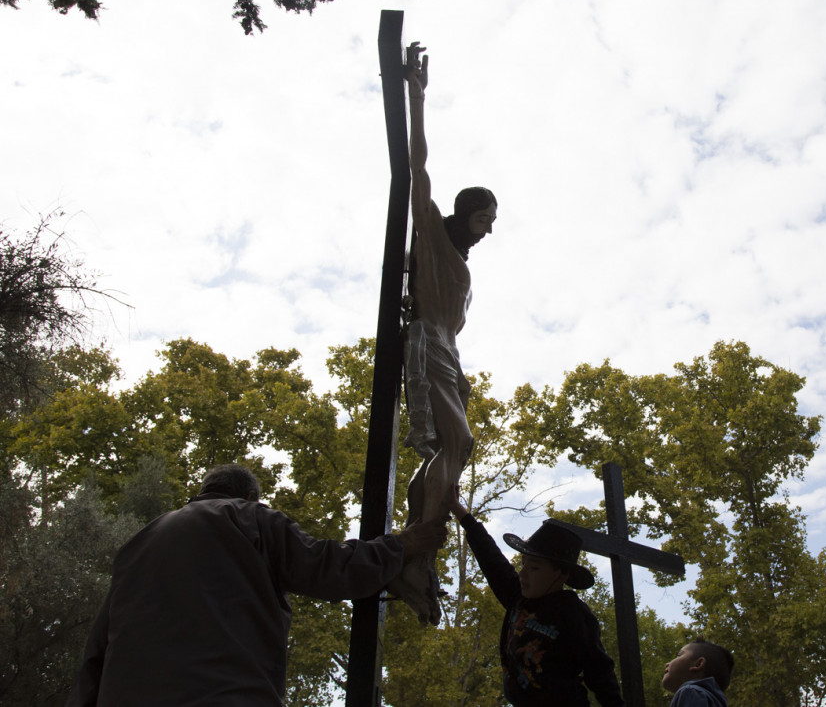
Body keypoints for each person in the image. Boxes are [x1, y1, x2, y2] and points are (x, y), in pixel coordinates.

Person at [65, 463, 447, 706]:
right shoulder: (249, 518)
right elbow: (329, 569)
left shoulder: (138, 544)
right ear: (250, 496)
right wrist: (402, 544)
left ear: (200, 493)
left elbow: (93, 659)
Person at [388, 40, 498, 626]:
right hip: (427, 341)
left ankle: (417, 546)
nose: (488, 230)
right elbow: (417, 167)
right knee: (453, 443)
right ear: (465, 211)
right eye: (484, 219)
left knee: (457, 446)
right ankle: (417, 552)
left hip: (449, 352)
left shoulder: (460, 257)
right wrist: (416, 94)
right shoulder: (432, 233)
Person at [446, 485, 625, 706]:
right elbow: (489, 556)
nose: (523, 574)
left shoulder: (574, 615)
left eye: (535, 568)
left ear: (561, 574)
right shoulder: (517, 597)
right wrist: (459, 511)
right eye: (523, 565)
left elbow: (600, 672)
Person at [661, 638, 733, 707]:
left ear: (698, 664)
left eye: (679, 655)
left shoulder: (690, 691)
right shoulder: (716, 701)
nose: (667, 664)